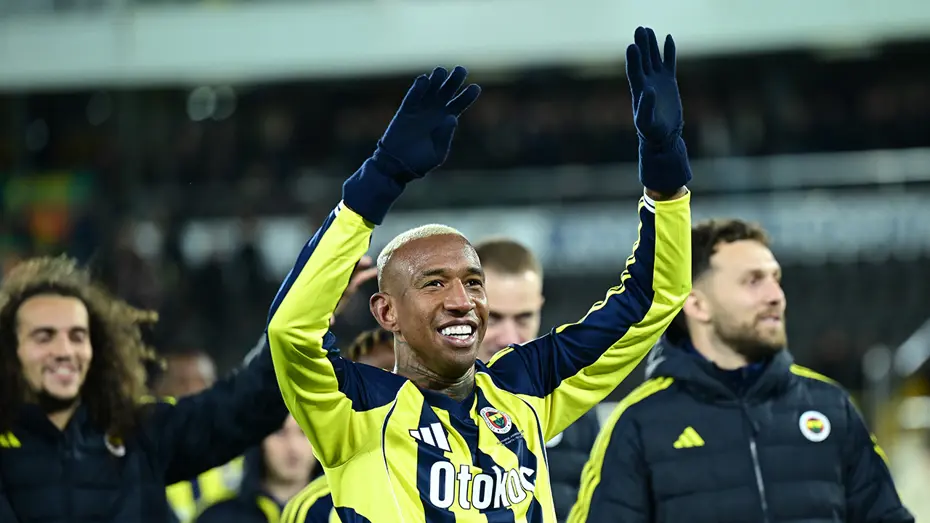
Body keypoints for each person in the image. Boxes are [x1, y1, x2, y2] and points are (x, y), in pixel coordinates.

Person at [266, 26, 693, 522]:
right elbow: (291, 330)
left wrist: (665, 172)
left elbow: (653, 296)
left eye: (473, 282)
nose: (461, 301)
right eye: (433, 283)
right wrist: (380, 177)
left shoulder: (525, 388)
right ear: (386, 312)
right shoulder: (352, 410)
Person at [567, 219, 914, 523]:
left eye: (776, 279)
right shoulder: (638, 424)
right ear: (697, 304)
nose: (776, 296)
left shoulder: (830, 406)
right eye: (753, 281)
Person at [0, 254, 305, 523]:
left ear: (97, 349)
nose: (64, 350)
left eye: (77, 336)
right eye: (44, 336)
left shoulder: (139, 434)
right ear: (10, 351)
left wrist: (303, 319)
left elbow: (246, 403)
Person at [474, 237, 600, 522]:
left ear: (540, 306)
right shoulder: (418, 403)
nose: (509, 338)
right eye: (493, 318)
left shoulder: (574, 403)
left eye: (523, 318)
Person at [280, 326, 397, 523]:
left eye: (394, 378)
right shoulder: (313, 509)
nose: (383, 397)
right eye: (365, 384)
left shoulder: (448, 487)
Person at [151, 349, 245, 523]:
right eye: (182, 382)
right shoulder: (144, 456)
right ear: (160, 390)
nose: (193, 390)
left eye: (201, 381)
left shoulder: (242, 452)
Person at [195, 415, 320, 523]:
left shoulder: (329, 514)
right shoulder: (220, 518)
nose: (293, 447)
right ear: (259, 440)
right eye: (279, 432)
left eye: (304, 432)